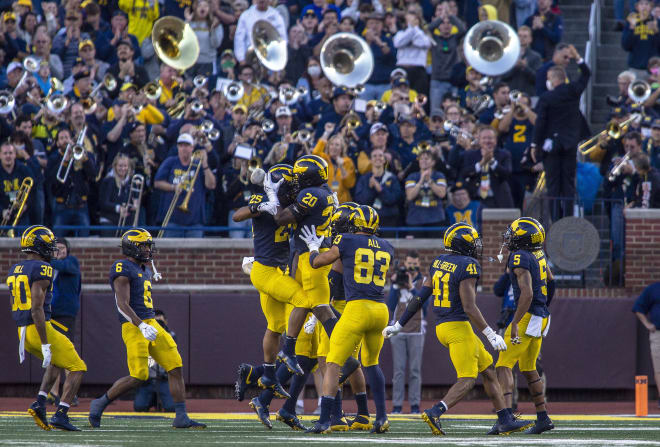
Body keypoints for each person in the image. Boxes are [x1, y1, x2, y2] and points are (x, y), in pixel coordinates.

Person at [383, 222, 531, 435]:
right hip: (458, 327)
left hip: (443, 326)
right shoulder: (468, 264)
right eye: (473, 242)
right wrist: (490, 334)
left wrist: (398, 324)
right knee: (468, 379)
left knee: (488, 371)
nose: (476, 246)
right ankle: (435, 412)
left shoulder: (438, 261)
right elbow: (469, 307)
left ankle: (505, 418)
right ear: (463, 244)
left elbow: (421, 296)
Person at [88, 228, 205, 429]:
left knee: (175, 365)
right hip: (134, 325)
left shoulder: (144, 269)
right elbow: (121, 304)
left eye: (147, 246)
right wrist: (140, 324)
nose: (147, 250)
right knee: (139, 375)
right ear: (131, 247)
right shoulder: (121, 267)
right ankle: (99, 403)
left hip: (151, 323)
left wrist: (148, 323)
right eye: (143, 246)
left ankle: (181, 416)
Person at [303, 205, 395, 434]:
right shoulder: (388, 246)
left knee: (333, 363)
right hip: (380, 310)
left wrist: (313, 248)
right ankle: (381, 417)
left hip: (357, 308)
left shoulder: (347, 240)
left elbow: (319, 262)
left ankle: (325, 420)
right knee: (372, 363)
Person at [9, 225, 86, 431]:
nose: (52, 250)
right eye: (48, 245)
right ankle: (61, 414)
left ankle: (41, 403)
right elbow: (36, 309)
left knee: (57, 362)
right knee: (78, 367)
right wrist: (45, 343)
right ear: (38, 246)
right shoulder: (42, 269)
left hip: (22, 331)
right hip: (38, 327)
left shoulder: (16, 268)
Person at [495, 217, 555, 435]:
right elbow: (551, 279)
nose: (509, 237)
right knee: (529, 368)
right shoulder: (539, 253)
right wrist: (544, 305)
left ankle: (506, 417)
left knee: (503, 365)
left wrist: (515, 322)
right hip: (541, 316)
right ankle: (543, 418)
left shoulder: (519, 256)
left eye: (513, 233)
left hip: (528, 316)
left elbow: (527, 293)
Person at [533, 46, 591, 221]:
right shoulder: (572, 90)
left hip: (551, 147)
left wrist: (535, 144)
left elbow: (540, 122)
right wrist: (578, 58)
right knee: (568, 185)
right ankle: (567, 219)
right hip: (570, 144)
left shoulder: (546, 98)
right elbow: (586, 74)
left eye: (549, 78)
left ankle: (556, 220)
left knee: (553, 187)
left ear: (552, 79)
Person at [154, 133, 216, 238]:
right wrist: (173, 187)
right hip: (173, 219)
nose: (184, 148)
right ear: (177, 147)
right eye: (181, 145)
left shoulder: (199, 164)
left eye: (187, 145)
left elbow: (211, 185)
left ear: (192, 147)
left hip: (195, 221)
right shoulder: (170, 162)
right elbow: (157, 183)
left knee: (195, 254)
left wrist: (205, 164)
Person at [387, 253, 425, 414]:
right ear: (405, 263)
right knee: (398, 370)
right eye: (409, 263)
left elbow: (425, 304)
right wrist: (395, 285)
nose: (411, 267)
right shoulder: (398, 281)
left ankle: (415, 405)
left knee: (415, 370)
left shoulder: (423, 282)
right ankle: (397, 406)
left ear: (419, 264)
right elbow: (390, 305)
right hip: (398, 331)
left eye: (414, 264)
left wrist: (411, 286)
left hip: (416, 331)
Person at [46, 238, 81, 406]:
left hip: (65, 313)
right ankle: (53, 393)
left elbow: (66, 267)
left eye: (62, 248)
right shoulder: (49, 266)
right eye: (56, 248)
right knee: (52, 353)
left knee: (67, 351)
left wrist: (50, 259)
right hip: (51, 313)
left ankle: (70, 392)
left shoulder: (71, 261)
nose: (60, 251)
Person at [459, 126, 514, 208]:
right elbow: (464, 173)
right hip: (476, 200)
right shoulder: (470, 154)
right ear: (479, 140)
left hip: (499, 200)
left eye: (490, 138)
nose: (487, 141)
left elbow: (507, 174)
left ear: (495, 140)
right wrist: (481, 163)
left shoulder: (504, 154)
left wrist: (492, 162)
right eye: (484, 138)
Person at [133, 310, 176, 412]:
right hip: (148, 379)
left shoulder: (171, 336)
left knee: (171, 408)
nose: (158, 325)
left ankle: (161, 398)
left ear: (166, 322)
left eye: (160, 322)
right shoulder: (143, 335)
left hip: (163, 379)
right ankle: (151, 400)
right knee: (139, 407)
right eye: (155, 322)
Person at [404, 149, 447, 237]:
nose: (423, 161)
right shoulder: (412, 176)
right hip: (415, 220)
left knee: (436, 249)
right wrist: (421, 181)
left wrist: (429, 181)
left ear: (433, 162)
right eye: (421, 159)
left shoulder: (439, 176)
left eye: (426, 159)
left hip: (436, 219)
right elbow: (410, 196)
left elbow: (442, 194)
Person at [632, 281, 660, 409]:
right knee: (659, 368)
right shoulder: (653, 289)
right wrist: (647, 324)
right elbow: (638, 308)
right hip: (658, 334)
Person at [621, 0, 660, 76]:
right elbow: (625, 46)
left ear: (651, 7)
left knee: (656, 87)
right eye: (641, 4)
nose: (644, 6)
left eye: (647, 4)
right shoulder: (631, 22)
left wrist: (657, 32)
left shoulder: (657, 22)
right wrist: (631, 29)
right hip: (635, 67)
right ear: (637, 7)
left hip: (654, 67)